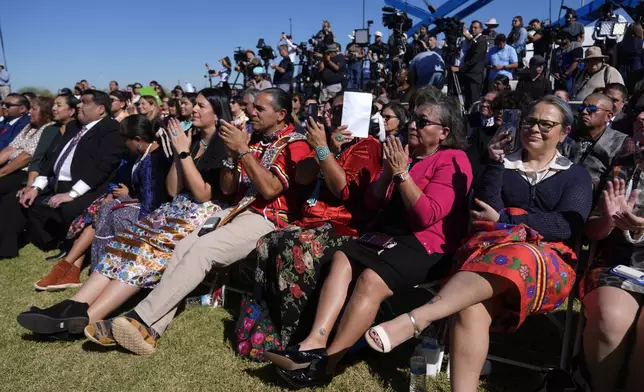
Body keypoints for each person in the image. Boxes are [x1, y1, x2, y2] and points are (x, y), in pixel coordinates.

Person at [364, 96, 593, 392]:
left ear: (564, 132)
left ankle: (417, 319)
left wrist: (507, 219)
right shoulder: (502, 166)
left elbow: (564, 226)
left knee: (519, 254)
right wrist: (495, 164)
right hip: (491, 254)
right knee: (470, 307)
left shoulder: (575, 175)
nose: (535, 128)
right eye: (530, 121)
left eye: (546, 124)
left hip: (547, 263)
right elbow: (485, 212)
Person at [269, 90, 472, 388]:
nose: (412, 124)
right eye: (412, 118)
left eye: (422, 120)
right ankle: (313, 342)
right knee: (342, 258)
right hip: (389, 235)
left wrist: (402, 174)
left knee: (371, 280)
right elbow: (374, 202)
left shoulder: (453, 160)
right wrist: (390, 174)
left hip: (426, 244)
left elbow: (426, 217)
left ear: (444, 132)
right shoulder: (405, 153)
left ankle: (329, 363)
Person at [97, 88, 312, 356]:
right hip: (238, 210)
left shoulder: (295, 144)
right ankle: (151, 328)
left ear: (281, 115)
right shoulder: (255, 138)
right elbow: (229, 188)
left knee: (203, 250)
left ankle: (139, 318)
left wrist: (243, 150)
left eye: (259, 109)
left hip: (269, 219)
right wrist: (232, 159)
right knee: (183, 246)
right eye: (252, 107)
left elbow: (270, 191)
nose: (251, 112)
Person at [16, 88, 230, 339]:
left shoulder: (223, 145)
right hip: (176, 206)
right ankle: (74, 305)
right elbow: (173, 189)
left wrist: (183, 153)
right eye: (196, 104)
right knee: (125, 242)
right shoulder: (192, 139)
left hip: (201, 213)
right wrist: (179, 152)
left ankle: (88, 318)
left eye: (201, 106)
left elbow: (204, 195)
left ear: (217, 112)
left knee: (146, 251)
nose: (194, 109)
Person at [254, 92, 383, 350]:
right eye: (330, 110)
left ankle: (295, 336)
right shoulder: (329, 141)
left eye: (338, 111)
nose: (330, 115)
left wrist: (324, 149)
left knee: (295, 248)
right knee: (268, 242)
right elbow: (302, 177)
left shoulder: (367, 145)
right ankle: (267, 329)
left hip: (342, 227)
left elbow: (342, 189)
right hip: (311, 221)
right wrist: (326, 149)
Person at [31, 114, 171, 292]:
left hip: (149, 210)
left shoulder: (154, 158)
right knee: (98, 208)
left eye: (125, 140)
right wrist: (115, 194)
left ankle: (70, 266)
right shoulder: (139, 154)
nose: (123, 145)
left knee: (106, 212)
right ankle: (70, 268)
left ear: (137, 139)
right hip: (130, 199)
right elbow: (121, 175)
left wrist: (129, 195)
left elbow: (154, 196)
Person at [4, 90, 125, 259]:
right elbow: (51, 159)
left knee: (68, 208)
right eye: (79, 101)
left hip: (87, 187)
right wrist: (35, 187)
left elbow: (103, 167)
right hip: (56, 183)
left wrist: (72, 193)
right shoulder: (73, 127)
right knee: (20, 200)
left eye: (85, 102)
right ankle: (13, 247)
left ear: (101, 109)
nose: (79, 105)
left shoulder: (111, 129)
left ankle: (70, 246)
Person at [580, 93, 644, 392]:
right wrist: (609, 220)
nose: (642, 118)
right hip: (620, 262)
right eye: (640, 113)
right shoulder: (623, 166)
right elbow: (592, 232)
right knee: (611, 319)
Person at [566, 93, 636, 187]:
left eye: (592, 109)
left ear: (608, 116)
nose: (584, 112)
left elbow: (615, 183)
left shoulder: (622, 142)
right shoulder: (567, 135)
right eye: (581, 108)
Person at [0, 96, 54, 178]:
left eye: (34, 109)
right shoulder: (30, 126)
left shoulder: (48, 128)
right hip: (10, 167)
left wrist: (1, 172)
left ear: (45, 112)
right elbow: (11, 148)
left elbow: (26, 157)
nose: (29, 112)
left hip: (24, 172)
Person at [457, 21, 487, 110]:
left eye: (475, 27)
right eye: (472, 27)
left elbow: (475, 59)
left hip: (475, 76)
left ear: (481, 29)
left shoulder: (481, 41)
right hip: (470, 75)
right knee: (469, 102)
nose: (473, 29)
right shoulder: (475, 41)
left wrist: (460, 69)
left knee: (474, 103)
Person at [616, 23, 644, 93]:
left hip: (622, 73)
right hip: (638, 72)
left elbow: (616, 61)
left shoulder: (619, 45)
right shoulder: (642, 43)